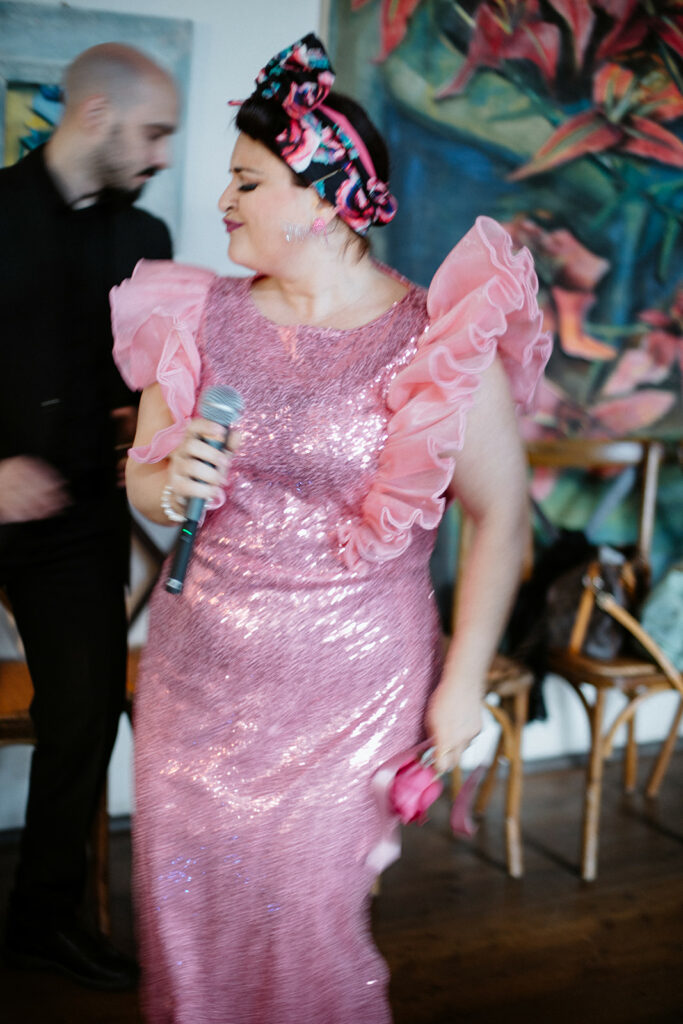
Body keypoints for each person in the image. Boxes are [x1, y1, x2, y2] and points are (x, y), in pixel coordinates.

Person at [111, 33, 551, 1023]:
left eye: (246, 181)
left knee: (305, 923)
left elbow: (500, 516)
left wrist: (463, 681)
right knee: (187, 919)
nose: (222, 200)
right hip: (195, 678)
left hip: (351, 689)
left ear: (322, 199)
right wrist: (168, 481)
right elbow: (142, 479)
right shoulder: (193, 314)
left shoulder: (433, 341)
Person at [0, 43, 178, 990]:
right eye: (153, 133)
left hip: (74, 520)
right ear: (98, 113)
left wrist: (140, 430)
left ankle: (41, 918)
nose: (160, 155)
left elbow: (150, 383)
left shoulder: (146, 237)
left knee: (84, 711)